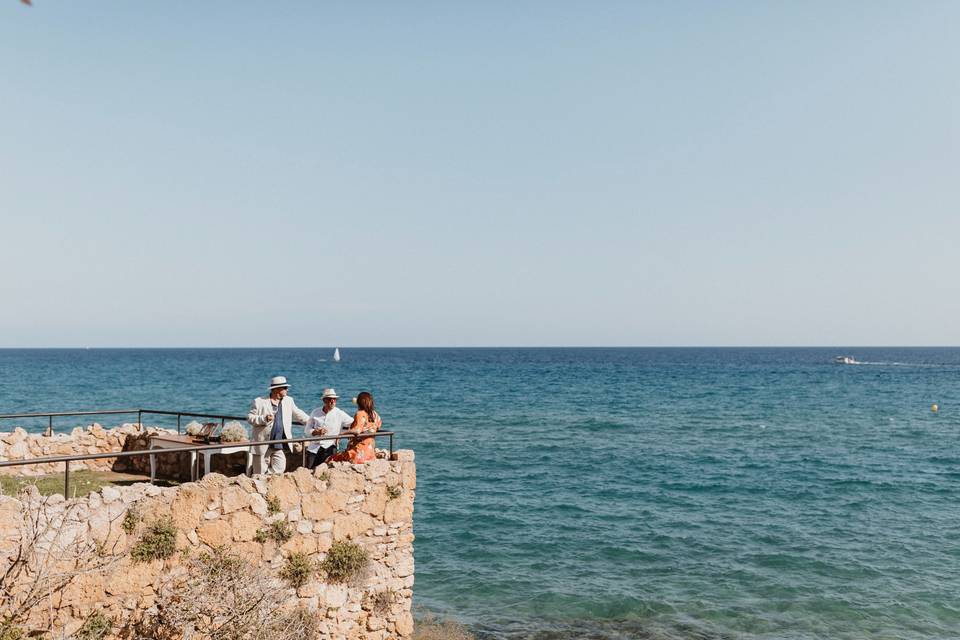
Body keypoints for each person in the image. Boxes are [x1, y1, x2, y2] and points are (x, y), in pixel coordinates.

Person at [247, 375, 310, 475]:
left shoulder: (289, 400)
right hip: (262, 443)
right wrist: (264, 418)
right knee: (259, 473)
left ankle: (265, 479)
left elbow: (298, 414)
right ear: (276, 389)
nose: (287, 390)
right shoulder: (259, 402)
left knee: (280, 468)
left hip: (279, 443)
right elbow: (250, 418)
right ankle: (256, 480)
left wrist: (312, 423)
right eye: (285, 388)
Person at [304, 388, 354, 468]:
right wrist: (315, 432)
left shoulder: (339, 413)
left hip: (330, 447)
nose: (333, 401)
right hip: (314, 448)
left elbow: (353, 422)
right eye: (330, 399)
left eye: (334, 399)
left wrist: (348, 432)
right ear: (324, 400)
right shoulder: (315, 412)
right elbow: (306, 430)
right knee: (309, 471)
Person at [328, 391, 382, 464]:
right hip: (370, 452)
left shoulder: (360, 413)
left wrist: (342, 434)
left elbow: (357, 430)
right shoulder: (375, 415)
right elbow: (377, 426)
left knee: (330, 459)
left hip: (358, 452)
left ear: (359, 402)